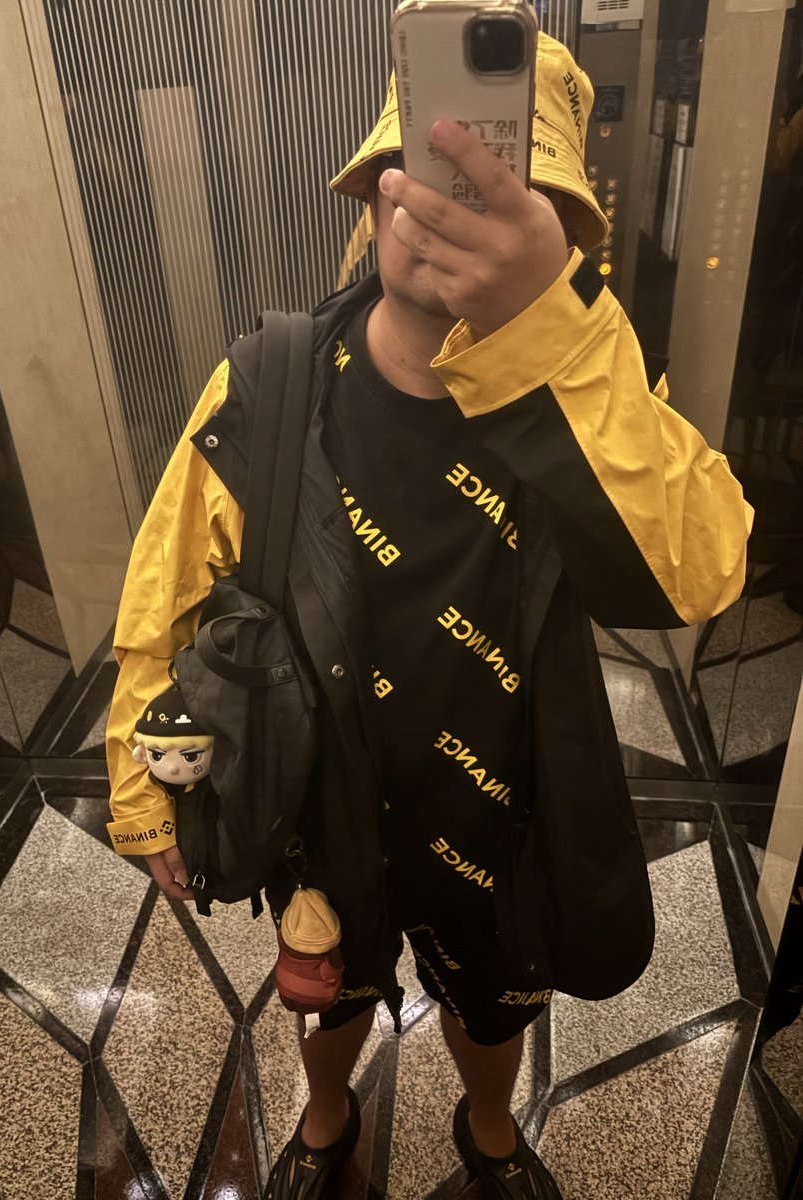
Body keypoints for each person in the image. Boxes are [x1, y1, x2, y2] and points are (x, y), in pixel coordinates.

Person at [105, 33, 752, 1200]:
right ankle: (328, 1116)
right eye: (433, 176)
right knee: (328, 991)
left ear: (556, 237)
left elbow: (704, 572)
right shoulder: (270, 379)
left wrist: (555, 335)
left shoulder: (588, 396)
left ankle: (490, 1131)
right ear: (374, 190)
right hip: (319, 796)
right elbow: (166, 593)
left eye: (507, 192)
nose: (457, 213)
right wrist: (142, 786)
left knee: (495, 1003)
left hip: (501, 806)